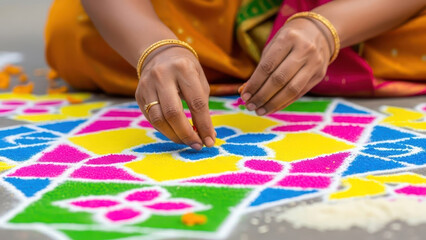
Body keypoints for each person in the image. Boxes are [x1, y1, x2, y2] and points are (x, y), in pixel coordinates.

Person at [45, 0, 426, 150]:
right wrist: (156, 46)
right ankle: (185, 61)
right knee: (73, 29)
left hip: (363, 8)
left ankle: (301, 51)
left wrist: (329, 28)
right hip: (213, 11)